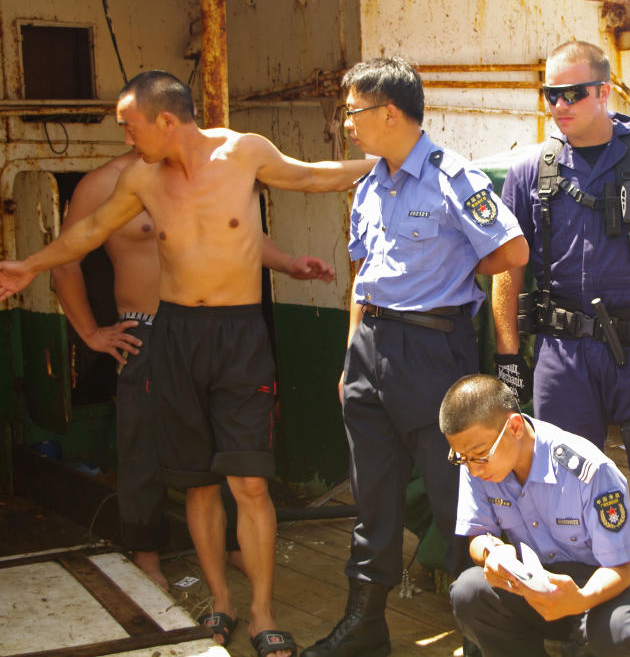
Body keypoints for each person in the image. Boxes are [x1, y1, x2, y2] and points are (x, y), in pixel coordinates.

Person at [0, 70, 376, 657]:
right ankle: (221, 602)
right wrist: (28, 265)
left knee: (250, 483)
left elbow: (311, 176)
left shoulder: (244, 152)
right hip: (175, 336)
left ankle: (262, 613)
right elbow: (88, 233)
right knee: (198, 485)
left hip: (239, 336)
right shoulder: (142, 179)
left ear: (165, 121)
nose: (125, 135)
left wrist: (388, 163)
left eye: (129, 124)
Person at [298, 57, 528, 657]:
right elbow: (361, 276)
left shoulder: (454, 178)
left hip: (431, 349)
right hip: (371, 349)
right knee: (371, 496)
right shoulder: (371, 185)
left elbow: (512, 249)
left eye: (353, 111)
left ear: (390, 112)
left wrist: (455, 267)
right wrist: (352, 358)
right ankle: (364, 627)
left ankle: (480, 633)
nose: (347, 123)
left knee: (459, 498)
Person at [490, 41, 630, 656]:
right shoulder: (530, 168)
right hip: (563, 356)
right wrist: (510, 361)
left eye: (572, 93)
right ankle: (574, 606)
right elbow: (508, 270)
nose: (559, 105)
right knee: (559, 486)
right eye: (549, 95)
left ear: (605, 92)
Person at [50, 150, 337, 608]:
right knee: (143, 443)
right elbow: (66, 259)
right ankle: (146, 553)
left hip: (212, 328)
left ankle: (231, 544)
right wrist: (89, 333)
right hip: (146, 328)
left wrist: (287, 263)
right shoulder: (104, 183)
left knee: (225, 445)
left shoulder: (202, 173)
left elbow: (240, 236)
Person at [439, 374, 630, 656]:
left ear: (514, 427)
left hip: (598, 588)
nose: (474, 469)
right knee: (469, 592)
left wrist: (580, 600)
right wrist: (493, 551)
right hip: (533, 583)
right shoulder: (475, 460)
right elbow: (478, 535)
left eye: (479, 456)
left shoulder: (589, 470)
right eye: (461, 458)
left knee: (618, 632)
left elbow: (622, 569)